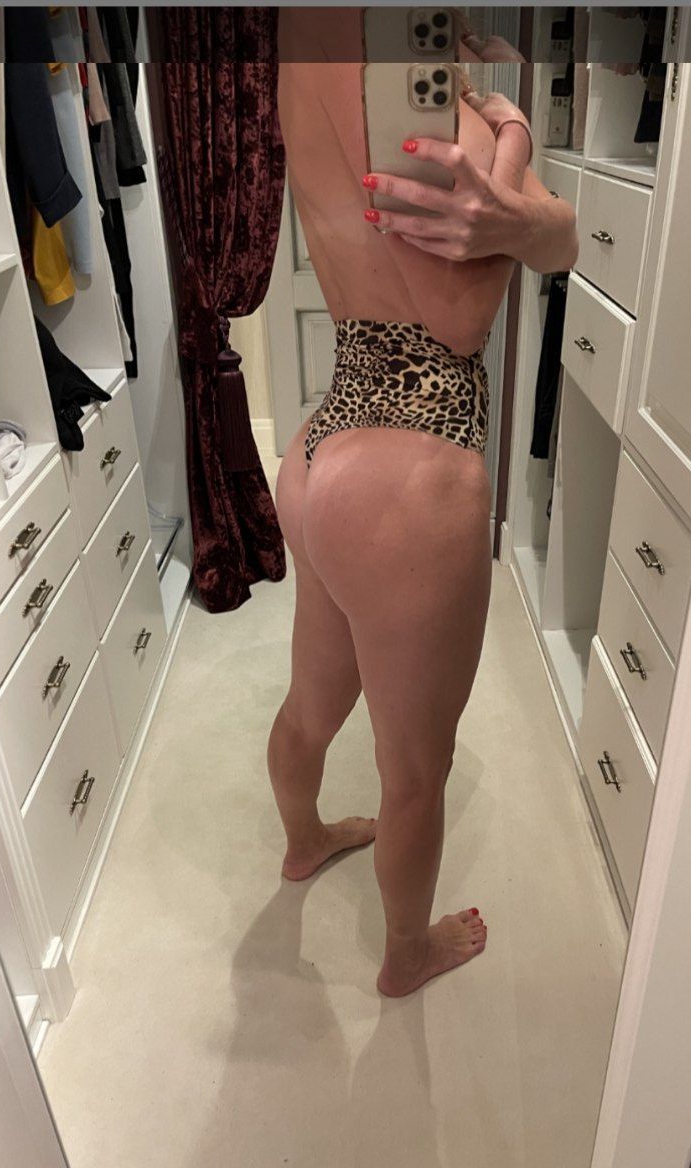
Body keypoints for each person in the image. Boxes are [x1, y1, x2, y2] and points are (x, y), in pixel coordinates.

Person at [268, 9, 578, 997]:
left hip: (321, 447)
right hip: (410, 469)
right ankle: (406, 952)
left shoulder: (308, 37)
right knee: (413, 770)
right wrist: (514, 128)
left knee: (312, 703)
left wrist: (484, 106)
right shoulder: (409, 57)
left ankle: (304, 838)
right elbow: (456, 313)